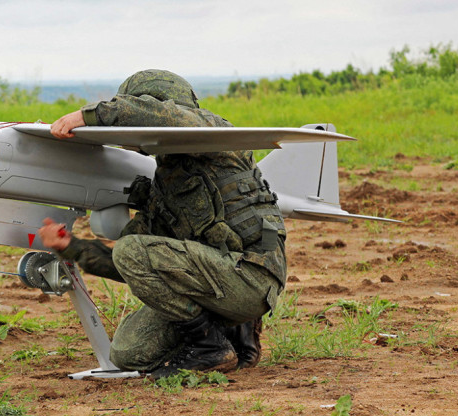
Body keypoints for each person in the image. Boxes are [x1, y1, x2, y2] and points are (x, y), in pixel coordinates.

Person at [39, 69, 286, 378]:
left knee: (131, 249)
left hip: (251, 278)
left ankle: (210, 347)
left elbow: (165, 115)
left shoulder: (216, 136)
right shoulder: (165, 184)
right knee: (128, 351)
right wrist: (72, 247)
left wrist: (90, 116)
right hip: (215, 283)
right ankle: (228, 332)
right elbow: (129, 262)